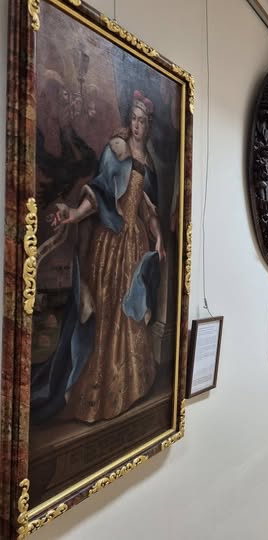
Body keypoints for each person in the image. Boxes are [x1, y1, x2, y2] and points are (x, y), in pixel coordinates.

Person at [31, 90, 165, 424]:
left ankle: (127, 388)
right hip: (111, 243)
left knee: (128, 315)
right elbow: (100, 193)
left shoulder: (147, 163)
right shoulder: (116, 150)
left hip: (134, 244)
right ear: (129, 120)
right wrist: (75, 214)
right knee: (105, 312)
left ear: (148, 125)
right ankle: (96, 395)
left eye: (143, 121)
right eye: (134, 119)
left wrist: (159, 237)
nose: (137, 125)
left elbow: (147, 208)